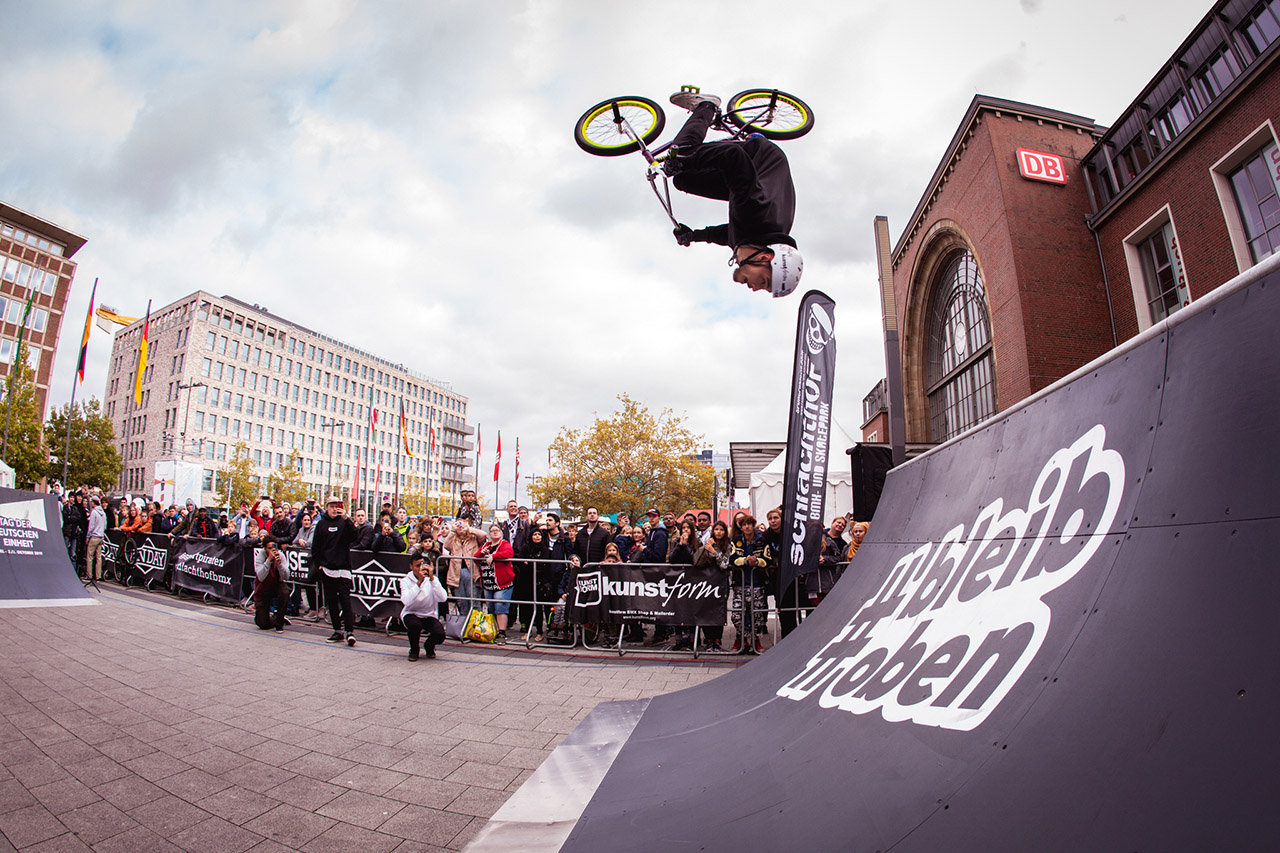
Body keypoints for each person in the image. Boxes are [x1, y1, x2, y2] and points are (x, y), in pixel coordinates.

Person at [664, 89, 803, 298]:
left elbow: (727, 235)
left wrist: (694, 236)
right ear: (765, 257)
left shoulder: (753, 240)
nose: (755, 288)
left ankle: (690, 158)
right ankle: (707, 106)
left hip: (757, 181)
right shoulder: (755, 211)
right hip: (758, 158)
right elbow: (732, 156)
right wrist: (683, 160)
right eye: (764, 281)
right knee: (682, 152)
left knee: (682, 180)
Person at [310, 495, 359, 646]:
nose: (333, 509)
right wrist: (319, 564)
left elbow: (354, 537)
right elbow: (315, 547)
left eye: (336, 506)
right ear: (326, 507)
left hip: (343, 567)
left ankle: (349, 631)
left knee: (345, 599)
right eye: (331, 506)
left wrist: (346, 518)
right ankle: (337, 630)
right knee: (331, 600)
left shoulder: (344, 522)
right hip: (327, 568)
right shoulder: (321, 524)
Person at [730, 513, 772, 653]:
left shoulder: (762, 540)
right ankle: (741, 638)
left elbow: (768, 560)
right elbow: (732, 558)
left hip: (757, 583)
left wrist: (758, 562)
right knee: (737, 614)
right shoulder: (736, 540)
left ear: (753, 525)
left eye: (749, 524)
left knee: (757, 614)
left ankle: (755, 640)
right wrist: (745, 561)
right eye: (744, 525)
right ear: (740, 527)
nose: (747, 527)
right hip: (740, 583)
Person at [399, 545, 447, 660]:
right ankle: (414, 649)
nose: (420, 569)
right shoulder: (405, 581)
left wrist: (432, 579)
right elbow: (406, 601)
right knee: (415, 625)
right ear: (411, 567)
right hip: (411, 613)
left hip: (428, 614)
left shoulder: (432, 580)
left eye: (423, 565)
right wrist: (418, 584)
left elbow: (443, 598)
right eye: (417, 566)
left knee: (440, 634)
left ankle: (429, 646)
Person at [694, 520, 733, 652]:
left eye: (721, 530)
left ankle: (717, 641)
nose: (719, 532)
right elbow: (699, 562)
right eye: (716, 529)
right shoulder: (707, 543)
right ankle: (708, 640)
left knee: (719, 611)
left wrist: (714, 551)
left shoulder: (728, 546)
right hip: (706, 582)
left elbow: (724, 565)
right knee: (706, 610)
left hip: (721, 583)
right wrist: (707, 547)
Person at [476, 523, 515, 644]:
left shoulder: (504, 544)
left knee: (500, 606)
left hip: (502, 583)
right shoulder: (486, 545)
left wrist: (494, 555)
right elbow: (476, 557)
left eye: (496, 530)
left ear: (501, 532)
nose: (494, 532)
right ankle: (492, 630)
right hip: (488, 583)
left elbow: (509, 553)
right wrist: (483, 553)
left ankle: (502, 632)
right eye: (492, 530)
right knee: (491, 607)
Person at [252, 536, 290, 632]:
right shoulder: (260, 556)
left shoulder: (280, 555)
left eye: (274, 548)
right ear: (264, 548)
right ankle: (274, 618)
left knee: (285, 592)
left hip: (276, 584)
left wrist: (279, 565)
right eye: (269, 548)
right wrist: (268, 561)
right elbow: (261, 576)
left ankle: (279, 622)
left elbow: (286, 577)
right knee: (262, 623)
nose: (272, 551)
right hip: (263, 588)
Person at [85, 496, 107, 581]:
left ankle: (89, 575)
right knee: (98, 557)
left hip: (94, 536)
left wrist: (88, 536)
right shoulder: (103, 513)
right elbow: (105, 525)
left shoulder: (94, 512)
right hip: (101, 536)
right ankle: (98, 575)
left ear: (94, 502)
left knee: (90, 556)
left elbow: (91, 526)